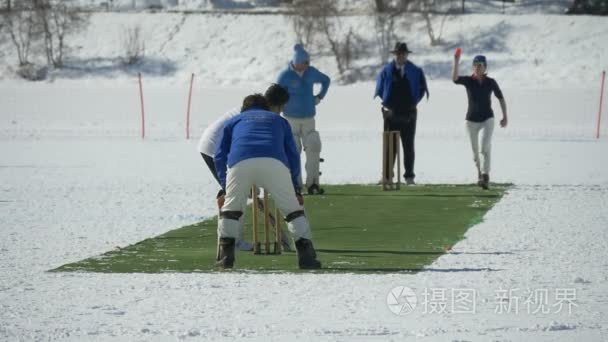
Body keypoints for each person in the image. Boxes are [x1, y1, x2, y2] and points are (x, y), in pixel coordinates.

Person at [214, 85, 322, 269]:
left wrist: (225, 186)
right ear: (266, 107)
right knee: (292, 210)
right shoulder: (278, 120)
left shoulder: (234, 121)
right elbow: (293, 155)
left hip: (240, 164)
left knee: (231, 210)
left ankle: (226, 256)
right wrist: (296, 187)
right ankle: (306, 256)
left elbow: (219, 155)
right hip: (275, 163)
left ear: (244, 108)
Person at [277, 43, 331, 195]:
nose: (306, 66)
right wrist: (279, 109)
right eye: (304, 63)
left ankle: (313, 183)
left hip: (309, 118)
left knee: (313, 146)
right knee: (293, 149)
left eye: (308, 63)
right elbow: (275, 93)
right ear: (297, 62)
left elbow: (326, 80)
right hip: (290, 119)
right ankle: (295, 185)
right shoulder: (284, 75)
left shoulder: (311, 72)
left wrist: (319, 97)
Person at [374, 42, 429, 185]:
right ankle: (387, 176)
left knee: (408, 145)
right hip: (390, 113)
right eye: (398, 53)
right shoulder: (386, 70)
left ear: (406, 55)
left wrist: (413, 103)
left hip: (409, 113)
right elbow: (380, 89)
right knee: (390, 146)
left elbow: (422, 88)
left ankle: (409, 177)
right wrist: (387, 104)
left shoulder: (415, 70)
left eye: (403, 53)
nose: (401, 56)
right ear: (395, 54)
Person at [452, 53, 508, 189]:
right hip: (471, 121)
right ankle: (480, 174)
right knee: (475, 153)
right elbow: (454, 79)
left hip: (487, 119)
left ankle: (485, 175)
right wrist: (456, 61)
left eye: (480, 65)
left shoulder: (491, 82)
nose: (477, 68)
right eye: (475, 65)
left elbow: (500, 97)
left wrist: (505, 116)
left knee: (484, 147)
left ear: (485, 67)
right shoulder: (468, 80)